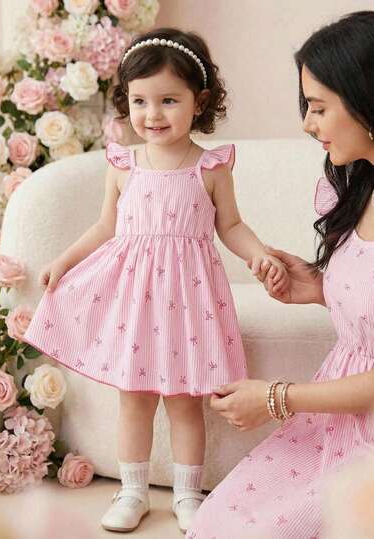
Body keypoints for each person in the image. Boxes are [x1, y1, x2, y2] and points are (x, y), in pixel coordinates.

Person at [22, 27, 288, 533]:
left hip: (189, 302)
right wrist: (65, 260)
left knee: (186, 404)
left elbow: (231, 226)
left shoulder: (210, 167)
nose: (153, 114)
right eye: (140, 101)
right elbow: (104, 226)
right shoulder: (124, 164)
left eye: (169, 100)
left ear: (198, 102)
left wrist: (258, 254)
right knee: (135, 400)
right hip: (136, 303)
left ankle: (188, 494)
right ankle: (133, 491)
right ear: (126, 101)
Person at [187, 10, 374, 538]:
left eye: (319, 107)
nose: (307, 124)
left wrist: (275, 398)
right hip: (337, 424)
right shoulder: (358, 186)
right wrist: (318, 286)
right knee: (219, 523)